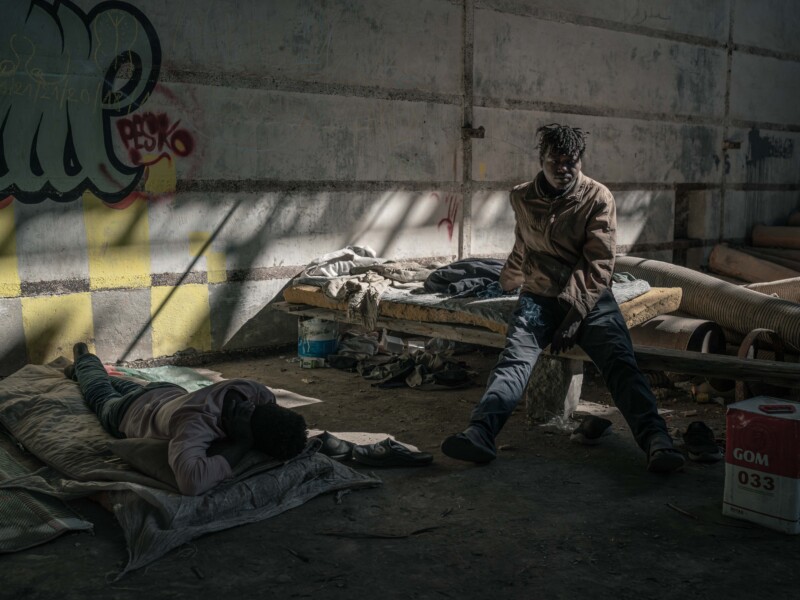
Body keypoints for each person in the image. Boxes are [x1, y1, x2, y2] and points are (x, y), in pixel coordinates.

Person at [440, 123, 685, 473]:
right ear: (541, 160)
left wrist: (573, 318)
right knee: (515, 360)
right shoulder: (522, 197)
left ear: (580, 162)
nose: (563, 169)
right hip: (538, 296)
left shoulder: (597, 198)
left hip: (589, 299)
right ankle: (480, 433)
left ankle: (657, 440)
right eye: (555, 161)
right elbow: (523, 245)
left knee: (619, 361)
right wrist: (506, 281)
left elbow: (599, 263)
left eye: (571, 162)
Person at [67, 343, 308, 495]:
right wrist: (242, 444)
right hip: (125, 412)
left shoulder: (254, 391)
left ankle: (79, 369)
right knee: (97, 390)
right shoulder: (195, 425)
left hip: (165, 391)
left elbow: (273, 414)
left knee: (116, 383)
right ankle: (83, 357)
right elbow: (191, 481)